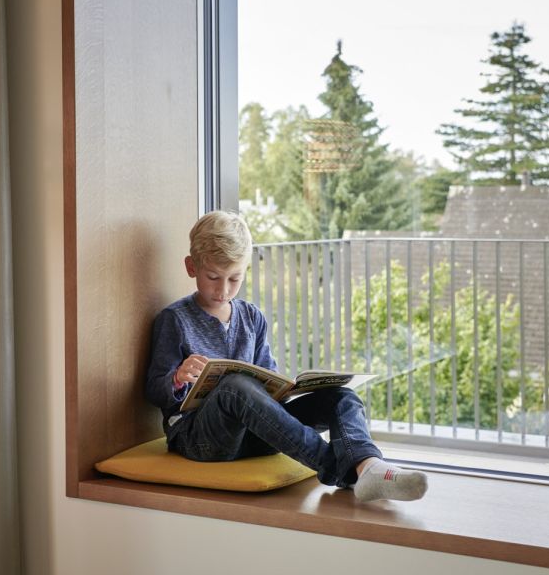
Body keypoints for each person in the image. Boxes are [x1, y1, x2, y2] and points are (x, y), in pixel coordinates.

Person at [144, 210, 428, 502]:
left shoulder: (252, 317)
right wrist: (177, 379)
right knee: (236, 388)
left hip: (254, 435)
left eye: (234, 279)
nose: (223, 289)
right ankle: (343, 471)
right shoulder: (174, 319)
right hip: (199, 439)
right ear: (192, 267)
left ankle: (369, 464)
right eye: (213, 277)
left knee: (342, 396)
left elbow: (268, 381)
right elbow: (154, 390)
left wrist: (288, 388)